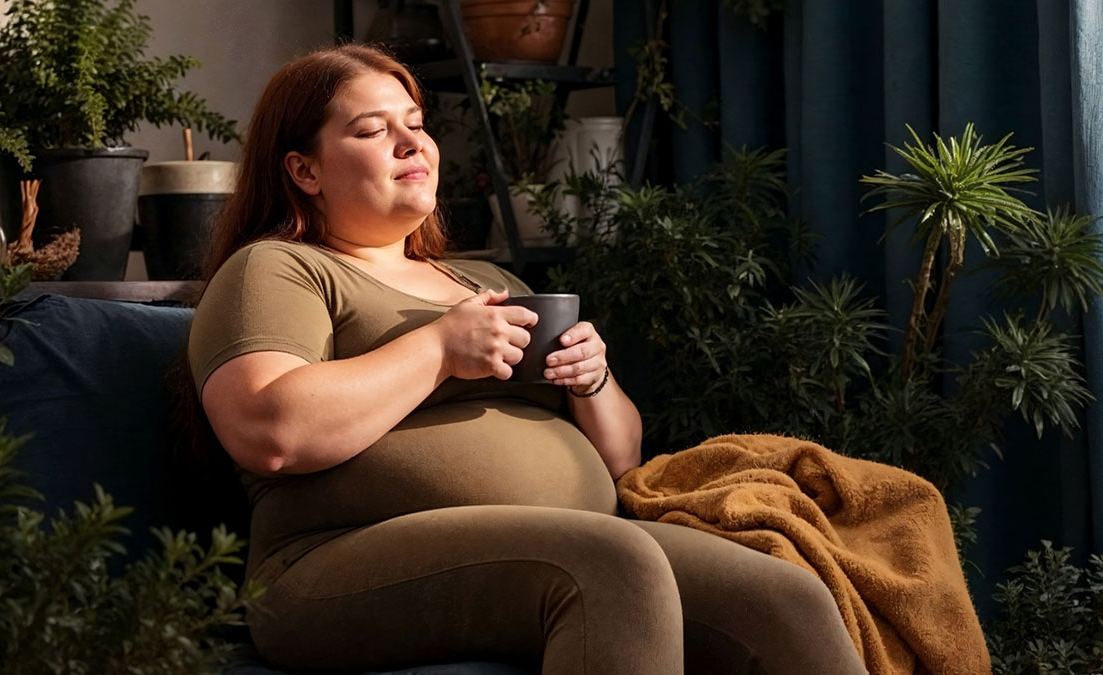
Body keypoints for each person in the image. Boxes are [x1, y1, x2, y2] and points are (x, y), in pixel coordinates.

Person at [187, 44, 868, 675]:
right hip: (328, 562)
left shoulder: (484, 280)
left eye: (416, 123)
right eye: (371, 130)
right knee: (611, 561)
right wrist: (438, 348)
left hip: (579, 535)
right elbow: (268, 429)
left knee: (787, 594)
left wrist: (590, 377)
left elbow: (621, 460)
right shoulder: (278, 268)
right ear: (303, 169)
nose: (411, 142)